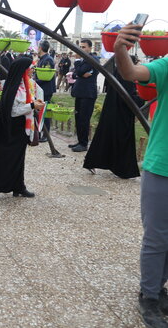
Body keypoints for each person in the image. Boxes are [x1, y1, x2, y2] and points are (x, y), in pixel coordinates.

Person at [112, 23, 168, 328]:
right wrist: (121, 48)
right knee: (158, 236)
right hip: (162, 165)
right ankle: (149, 296)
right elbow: (131, 73)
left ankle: (158, 289)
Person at [0, 57, 44, 199]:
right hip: (11, 130)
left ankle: (18, 186)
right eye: (30, 68)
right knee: (4, 159)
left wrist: (35, 103)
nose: (32, 70)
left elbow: (28, 101)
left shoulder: (26, 85)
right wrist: (32, 106)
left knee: (19, 159)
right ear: (23, 70)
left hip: (22, 128)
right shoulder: (13, 88)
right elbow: (13, 111)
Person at [83, 56, 144, 179]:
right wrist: (142, 98)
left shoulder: (119, 71)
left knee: (106, 138)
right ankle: (124, 170)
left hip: (112, 111)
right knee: (120, 140)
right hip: (122, 114)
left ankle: (93, 162)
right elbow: (129, 97)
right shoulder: (126, 75)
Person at [70, 39, 100, 152]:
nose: (81, 49)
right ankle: (80, 141)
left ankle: (84, 144)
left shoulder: (93, 59)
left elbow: (79, 71)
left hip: (88, 94)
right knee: (78, 117)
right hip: (80, 92)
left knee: (84, 119)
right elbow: (76, 73)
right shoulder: (84, 60)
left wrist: (77, 61)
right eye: (80, 47)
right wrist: (80, 73)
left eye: (83, 47)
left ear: (90, 48)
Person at [35, 40, 56, 140]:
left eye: (38, 47)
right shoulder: (42, 59)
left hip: (46, 90)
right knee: (41, 111)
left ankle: (46, 134)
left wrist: (34, 81)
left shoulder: (48, 60)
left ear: (40, 48)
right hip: (42, 89)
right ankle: (41, 132)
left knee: (45, 112)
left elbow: (45, 77)